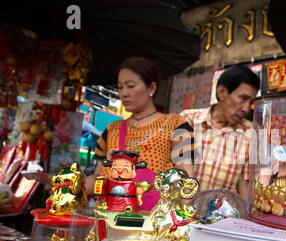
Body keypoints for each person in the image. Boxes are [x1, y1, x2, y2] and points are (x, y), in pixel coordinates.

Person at [86, 56, 195, 211]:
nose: (123, 93)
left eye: (130, 86)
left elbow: (186, 178)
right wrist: (72, 184)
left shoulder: (176, 125)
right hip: (108, 220)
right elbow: (98, 177)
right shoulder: (111, 130)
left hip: (151, 226)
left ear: (151, 88)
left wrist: (181, 221)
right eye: (120, 87)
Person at [180, 65, 260, 201]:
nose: (246, 109)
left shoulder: (250, 135)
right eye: (242, 98)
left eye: (251, 102)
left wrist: (246, 219)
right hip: (179, 215)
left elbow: (244, 184)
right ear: (222, 92)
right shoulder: (188, 120)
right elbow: (176, 168)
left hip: (220, 219)